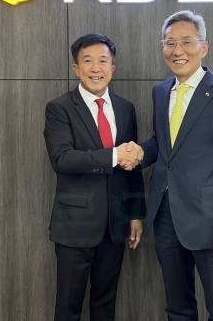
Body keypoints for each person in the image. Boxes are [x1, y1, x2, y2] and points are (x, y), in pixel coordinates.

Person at [122, 11, 213, 321]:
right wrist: (139, 152)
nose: (177, 50)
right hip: (166, 215)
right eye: (170, 43)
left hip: (212, 220)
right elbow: (165, 145)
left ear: (203, 47)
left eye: (186, 42)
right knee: (177, 307)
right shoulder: (160, 92)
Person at [43, 33, 146, 321]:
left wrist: (135, 214)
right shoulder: (60, 108)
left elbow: (132, 168)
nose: (96, 68)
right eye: (88, 61)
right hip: (75, 225)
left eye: (103, 61)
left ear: (113, 68)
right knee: (68, 307)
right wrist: (113, 155)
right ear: (76, 68)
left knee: (105, 304)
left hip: (115, 225)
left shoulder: (125, 109)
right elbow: (62, 159)